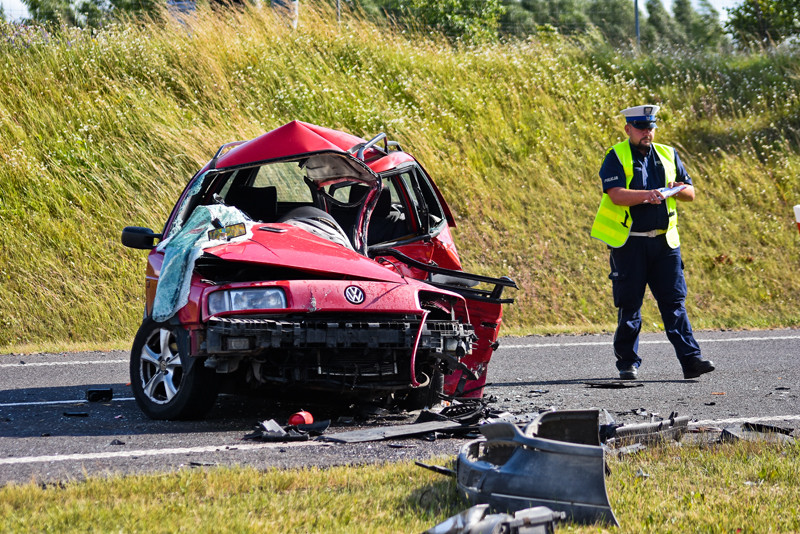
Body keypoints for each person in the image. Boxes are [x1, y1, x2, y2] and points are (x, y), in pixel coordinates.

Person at [591, 105, 715, 380]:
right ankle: (627, 363)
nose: (647, 132)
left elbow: (690, 192)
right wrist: (649, 195)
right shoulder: (616, 155)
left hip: (665, 244)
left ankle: (691, 360)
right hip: (630, 243)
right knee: (630, 304)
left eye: (651, 127)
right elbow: (616, 195)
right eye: (641, 127)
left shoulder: (669, 153)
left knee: (674, 303)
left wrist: (676, 189)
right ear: (628, 129)